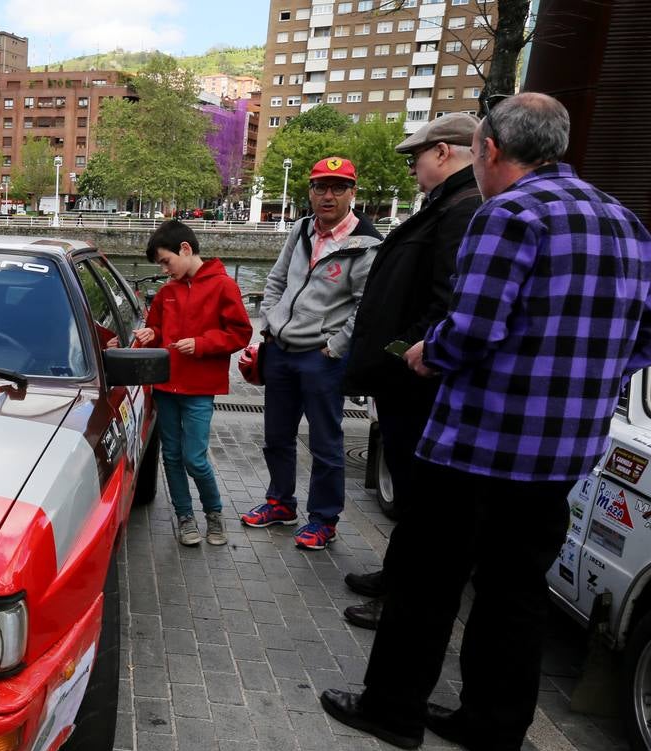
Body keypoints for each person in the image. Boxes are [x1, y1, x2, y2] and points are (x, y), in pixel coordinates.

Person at [320, 93, 651, 751]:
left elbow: (471, 329)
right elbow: (643, 336)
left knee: (426, 577)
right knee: (516, 588)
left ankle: (393, 709)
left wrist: (424, 353)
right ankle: (493, 732)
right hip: (564, 449)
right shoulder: (625, 222)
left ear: (490, 150)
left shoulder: (509, 215)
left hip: (479, 440)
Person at [339, 114, 484, 628]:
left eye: (416, 157)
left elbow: (447, 303)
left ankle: (401, 599)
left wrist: (404, 353)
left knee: (421, 500)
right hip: (407, 379)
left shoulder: (463, 210)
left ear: (443, 152)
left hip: (419, 383)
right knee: (409, 491)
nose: (413, 168)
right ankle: (394, 576)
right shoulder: (449, 206)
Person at [241, 157, 382, 550]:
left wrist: (333, 348)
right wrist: (268, 323)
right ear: (310, 192)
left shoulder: (365, 245)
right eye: (320, 187)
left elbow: (364, 306)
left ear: (353, 193)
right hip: (281, 350)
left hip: (321, 359)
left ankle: (323, 519)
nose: (328, 195)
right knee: (277, 436)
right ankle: (280, 502)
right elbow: (276, 280)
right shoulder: (302, 230)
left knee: (325, 443)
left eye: (338, 187)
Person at [123, 220, 252, 546]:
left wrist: (202, 343)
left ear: (185, 249)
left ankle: (213, 513)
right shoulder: (167, 292)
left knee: (194, 457)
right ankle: (185, 516)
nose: (165, 271)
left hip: (198, 390)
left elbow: (240, 333)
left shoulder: (224, 286)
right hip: (166, 387)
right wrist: (151, 335)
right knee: (171, 457)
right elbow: (158, 333)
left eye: (166, 262)